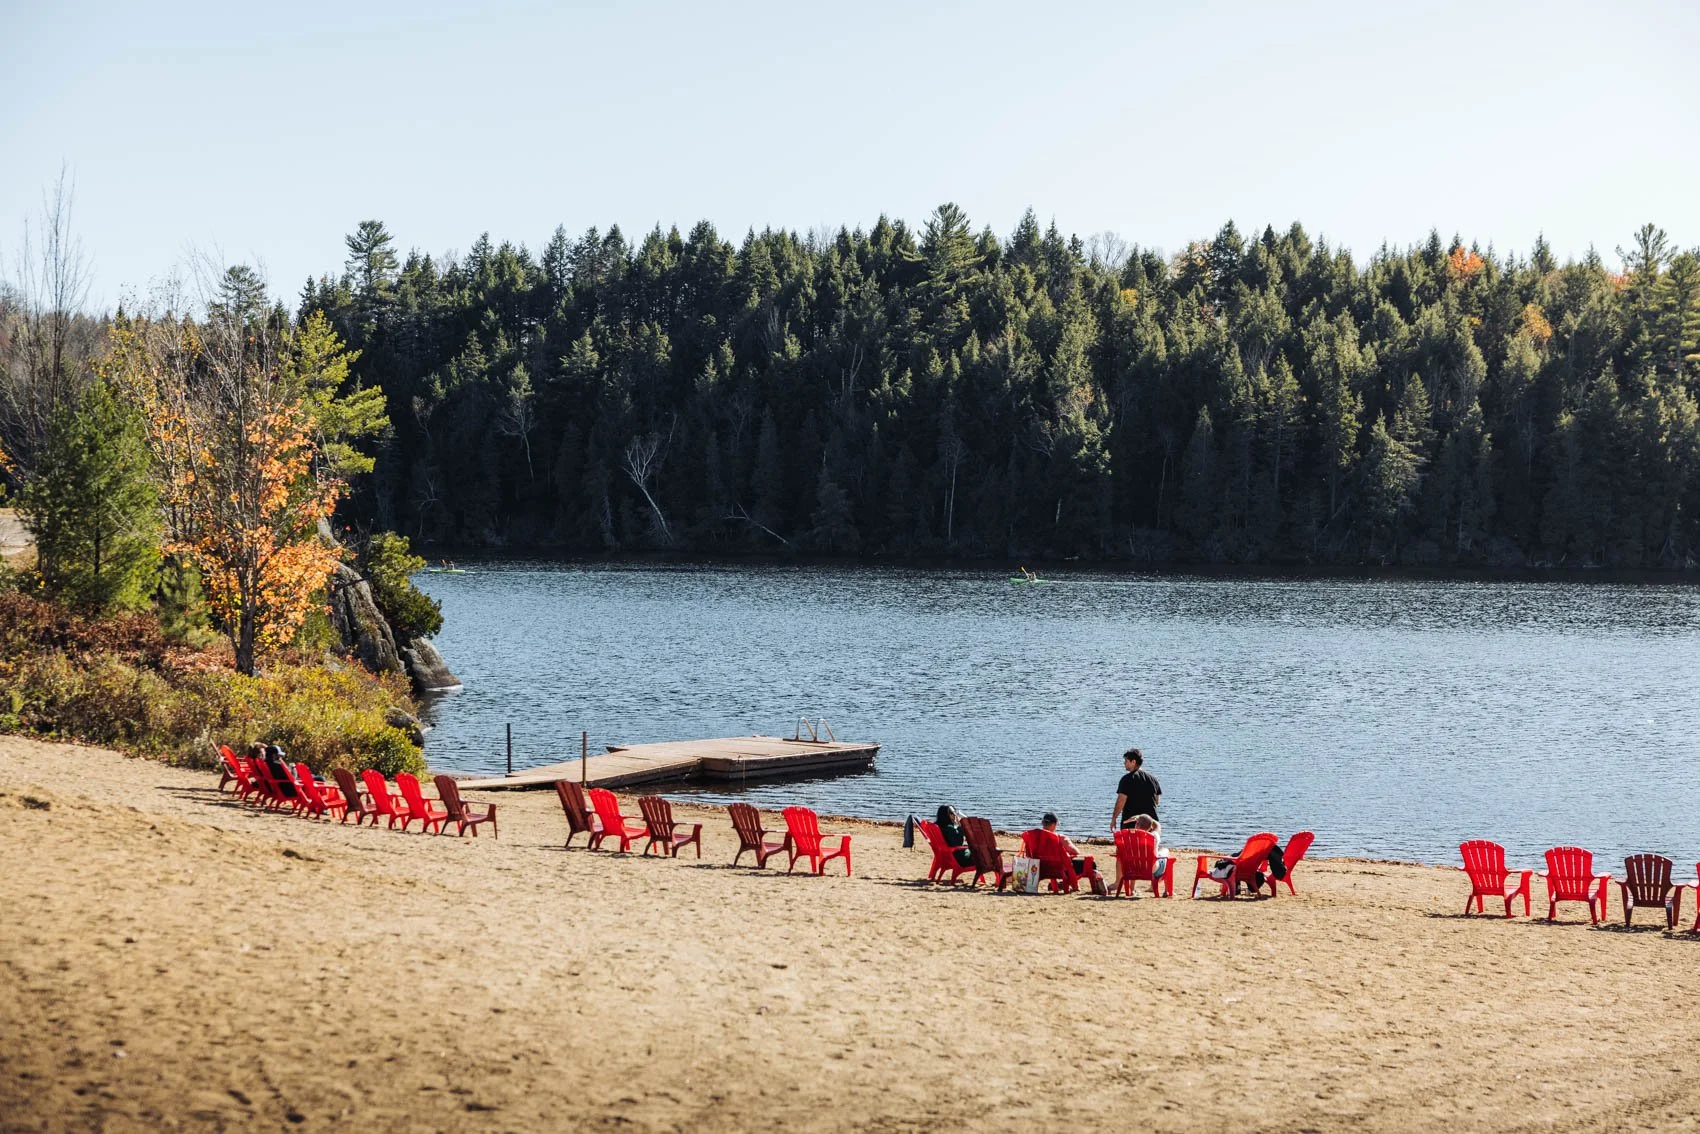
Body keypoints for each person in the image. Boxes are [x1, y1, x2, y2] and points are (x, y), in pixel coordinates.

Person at [1040, 812, 1107, 895]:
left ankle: (1064, 883)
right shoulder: (1060, 838)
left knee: (1067, 863)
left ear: (1043, 824)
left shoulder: (1036, 839)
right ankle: (1087, 885)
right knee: (1091, 864)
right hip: (1062, 869)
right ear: (1054, 824)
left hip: (1043, 868)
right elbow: (1076, 852)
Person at [1112, 748, 1161, 831]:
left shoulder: (1127, 779)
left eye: (1126, 761)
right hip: (1151, 823)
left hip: (1131, 823)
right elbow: (1156, 801)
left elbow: (1121, 801)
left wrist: (1114, 819)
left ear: (1133, 762)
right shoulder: (1153, 779)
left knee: (1130, 844)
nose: (1124, 763)